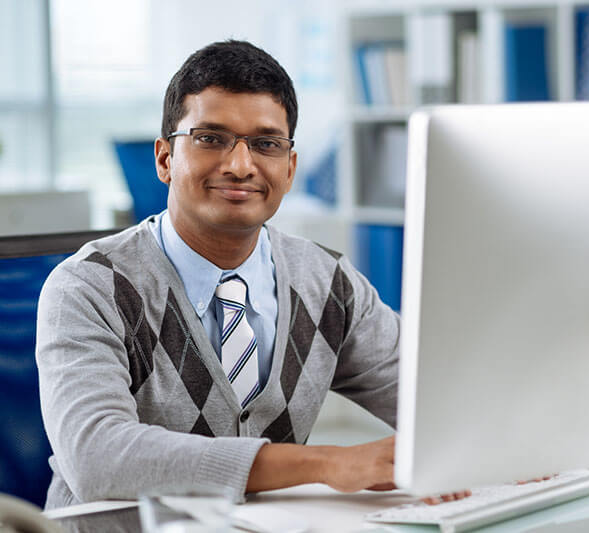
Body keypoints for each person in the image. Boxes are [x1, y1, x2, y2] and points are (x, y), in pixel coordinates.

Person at [36, 40, 421, 510]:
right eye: (210, 138)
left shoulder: (329, 282)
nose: (240, 165)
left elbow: (432, 402)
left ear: (289, 167)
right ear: (165, 159)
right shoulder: (88, 287)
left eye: (266, 144)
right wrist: (325, 464)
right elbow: (97, 456)